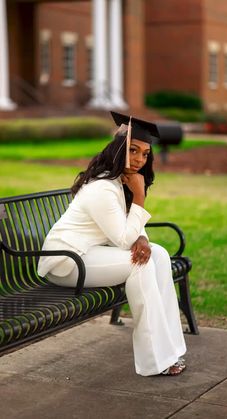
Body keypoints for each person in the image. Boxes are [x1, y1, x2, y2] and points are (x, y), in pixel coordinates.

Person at [37, 111, 186, 377]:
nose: (140, 159)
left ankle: (171, 350)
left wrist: (142, 236)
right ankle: (155, 360)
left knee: (160, 255)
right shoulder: (103, 188)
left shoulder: (120, 181)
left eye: (145, 153)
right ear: (118, 150)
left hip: (91, 254)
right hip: (66, 261)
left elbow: (131, 232)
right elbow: (124, 238)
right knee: (142, 264)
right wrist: (140, 197)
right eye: (133, 150)